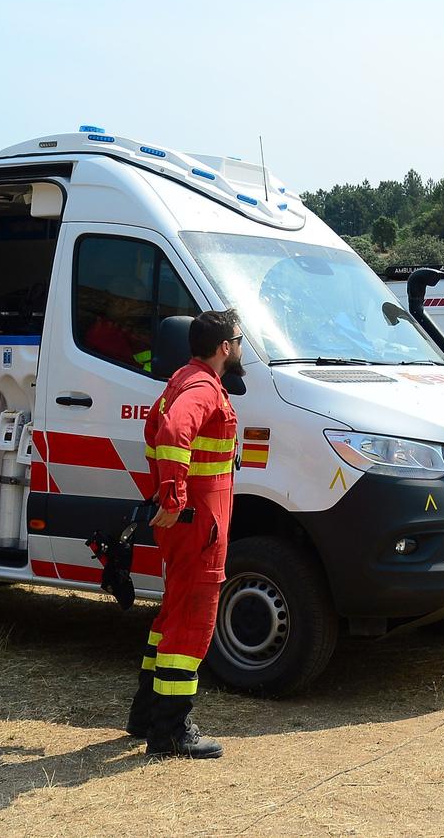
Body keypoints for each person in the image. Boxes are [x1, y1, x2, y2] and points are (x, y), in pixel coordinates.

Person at [126, 308, 242, 759]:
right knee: (192, 622)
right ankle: (171, 731)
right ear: (224, 347)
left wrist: (166, 494)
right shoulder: (202, 387)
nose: (240, 348)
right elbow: (173, 432)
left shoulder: (182, 379)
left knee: (172, 616)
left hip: (188, 523)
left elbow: (153, 430)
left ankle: (146, 715)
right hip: (199, 525)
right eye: (238, 341)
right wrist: (173, 497)